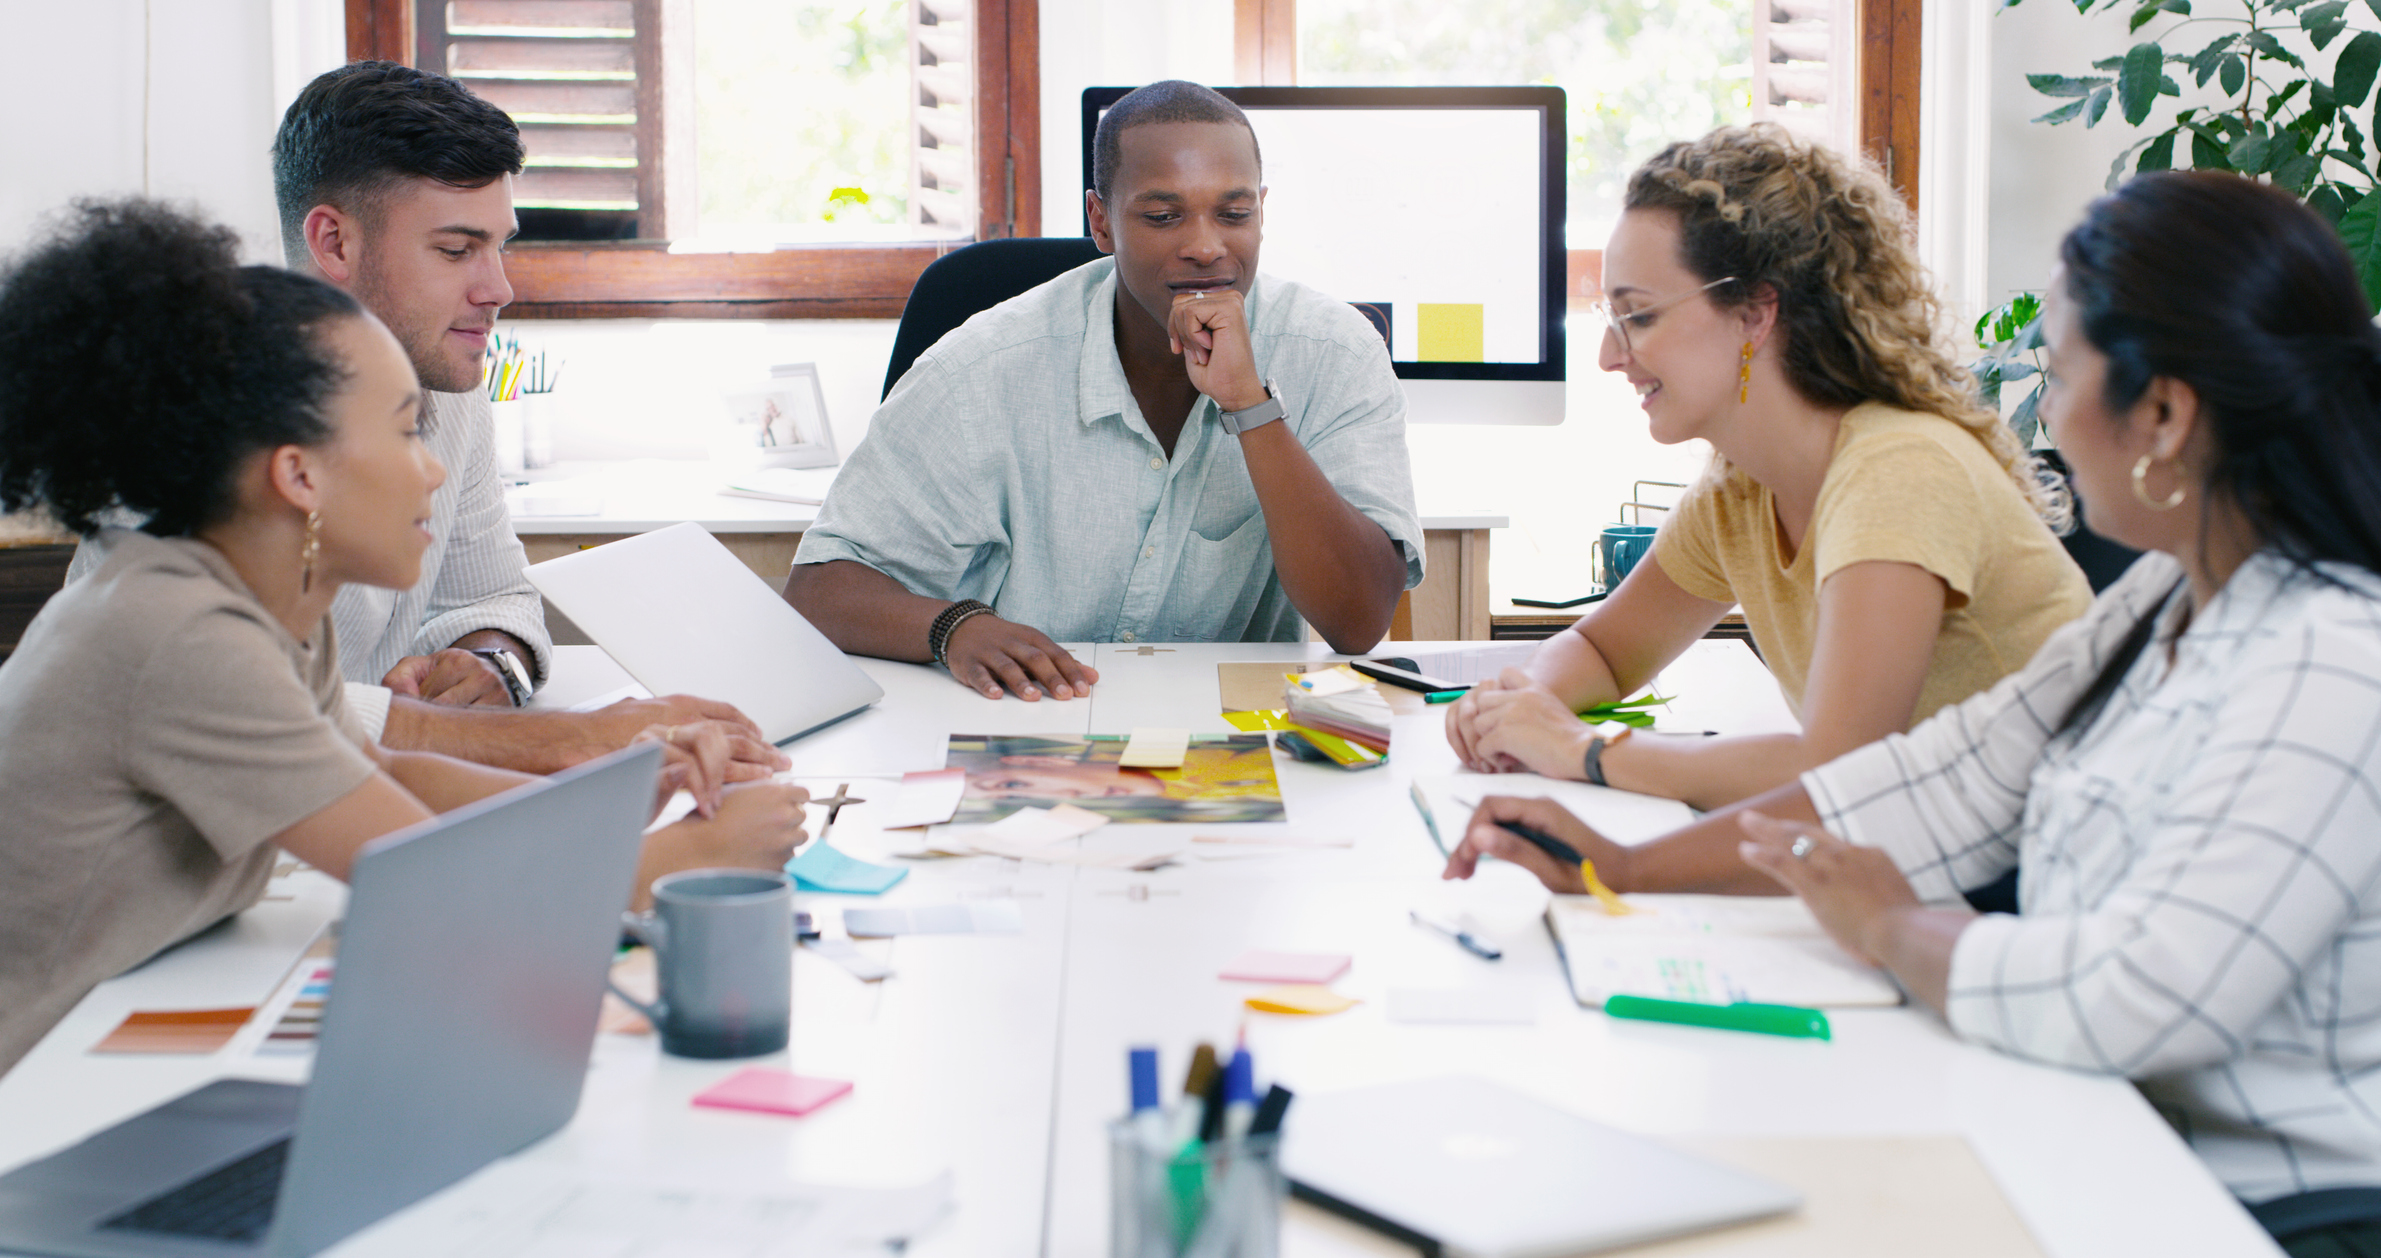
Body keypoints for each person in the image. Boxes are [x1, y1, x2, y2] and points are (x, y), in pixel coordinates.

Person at [1444, 171, 2381, 1255]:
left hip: (2272, 1210)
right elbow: (1938, 780)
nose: (2047, 420)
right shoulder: (2162, 601)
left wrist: (1892, 928)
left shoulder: (2328, 661)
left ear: (2162, 415)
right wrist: (1611, 863)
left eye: (2062, 372)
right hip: (2116, 1134)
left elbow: (2126, 995)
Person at [0, 200, 809, 1075]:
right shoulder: (180, 635)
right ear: (298, 475)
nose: (431, 467)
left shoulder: (257, 603)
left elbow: (381, 778)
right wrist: (689, 862)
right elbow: (426, 892)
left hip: (97, 1043)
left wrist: (610, 794)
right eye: (403, 430)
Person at [65, 60, 780, 778]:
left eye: (501, 246)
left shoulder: (447, 375)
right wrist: (563, 741)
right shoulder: (192, 415)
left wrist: (489, 662)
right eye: (456, 249)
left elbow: (495, 593)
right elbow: (233, 702)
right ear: (334, 243)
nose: (499, 288)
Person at [1445, 125, 2091, 812]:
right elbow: (1604, 652)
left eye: (1637, 316)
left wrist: (1582, 751)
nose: (1608, 354)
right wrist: (1518, 704)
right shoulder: (1738, 494)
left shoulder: (1897, 470)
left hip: (2043, 881)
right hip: (1928, 863)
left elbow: (1836, 770)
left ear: (1753, 313)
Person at [786, 80, 1423, 700]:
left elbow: (1359, 622)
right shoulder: (982, 367)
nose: (1206, 246)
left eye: (1234, 214)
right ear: (1102, 221)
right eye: (1163, 216)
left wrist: (1251, 407)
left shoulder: (1336, 353)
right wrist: (955, 626)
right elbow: (818, 593)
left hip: (1231, 736)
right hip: (1024, 720)